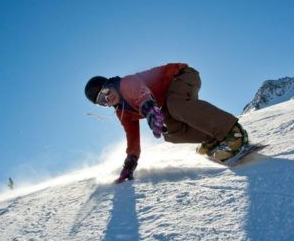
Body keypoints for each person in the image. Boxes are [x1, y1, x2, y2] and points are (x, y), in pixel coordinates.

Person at [85, 63, 248, 183]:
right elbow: (132, 138)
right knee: (169, 132)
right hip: (165, 100)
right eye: (102, 101)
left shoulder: (125, 83)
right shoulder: (122, 112)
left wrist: (148, 107)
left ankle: (232, 132)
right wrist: (130, 163)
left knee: (175, 105)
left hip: (181, 76)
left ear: (111, 85)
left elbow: (140, 92)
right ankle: (213, 139)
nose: (107, 99)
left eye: (105, 93)